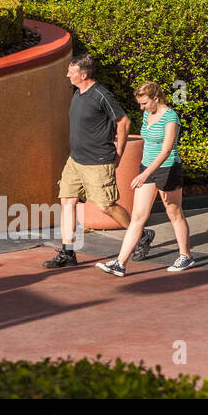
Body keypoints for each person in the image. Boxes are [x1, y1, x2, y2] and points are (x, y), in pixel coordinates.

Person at [45, 55, 134, 270]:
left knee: (106, 207)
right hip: (75, 161)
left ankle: (138, 234)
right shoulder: (78, 94)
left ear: (83, 75)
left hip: (97, 162)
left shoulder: (101, 95)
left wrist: (119, 150)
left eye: (71, 72)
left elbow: (123, 121)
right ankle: (68, 252)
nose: (67, 75)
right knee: (67, 201)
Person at [96, 81, 194, 275]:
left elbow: (166, 150)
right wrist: (145, 171)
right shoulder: (147, 114)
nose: (141, 108)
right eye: (140, 104)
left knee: (174, 213)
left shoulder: (170, 117)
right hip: (146, 168)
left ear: (156, 98)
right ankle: (120, 263)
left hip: (168, 169)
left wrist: (145, 174)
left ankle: (186, 256)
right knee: (138, 217)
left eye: (144, 103)